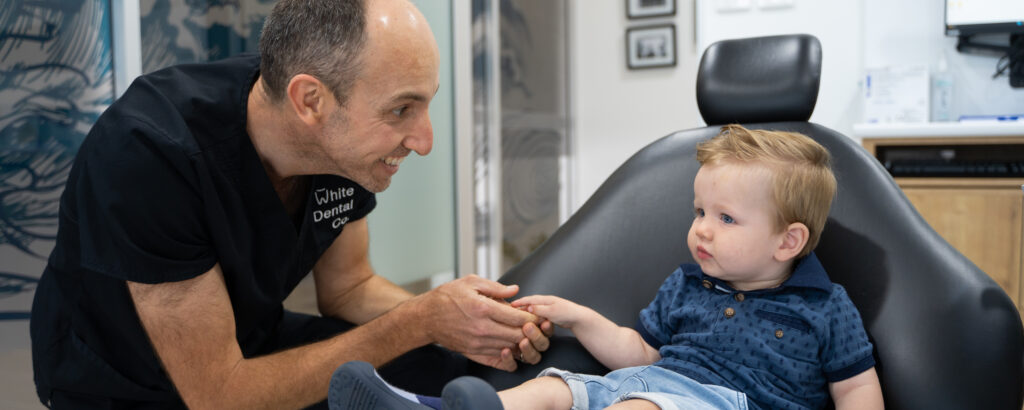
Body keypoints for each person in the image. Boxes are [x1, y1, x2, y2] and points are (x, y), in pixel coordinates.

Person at [29, 0, 553, 408]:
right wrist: (418, 320)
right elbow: (220, 396)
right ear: (310, 101)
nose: (424, 140)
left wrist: (471, 325)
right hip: (124, 384)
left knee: (450, 371)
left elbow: (350, 287)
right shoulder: (149, 153)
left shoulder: (340, 147)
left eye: (427, 102)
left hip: (251, 341)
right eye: (401, 109)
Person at [331, 124, 885, 410]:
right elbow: (640, 352)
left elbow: (857, 389)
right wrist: (577, 316)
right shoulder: (687, 284)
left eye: (727, 218)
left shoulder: (823, 306)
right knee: (553, 390)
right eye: (698, 212)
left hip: (729, 403)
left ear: (788, 241)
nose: (702, 229)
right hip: (643, 383)